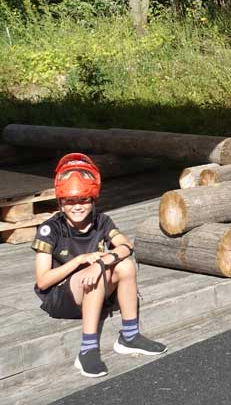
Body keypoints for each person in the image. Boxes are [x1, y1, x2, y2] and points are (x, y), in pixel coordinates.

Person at [32, 153, 166, 378]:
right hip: (61, 298)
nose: (77, 207)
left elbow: (125, 246)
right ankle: (87, 350)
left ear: (93, 199)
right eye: (70, 201)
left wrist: (101, 263)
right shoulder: (50, 229)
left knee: (126, 266)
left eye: (84, 200)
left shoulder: (101, 221)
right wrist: (80, 261)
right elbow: (43, 280)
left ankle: (130, 336)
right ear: (60, 201)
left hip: (94, 286)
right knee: (92, 273)